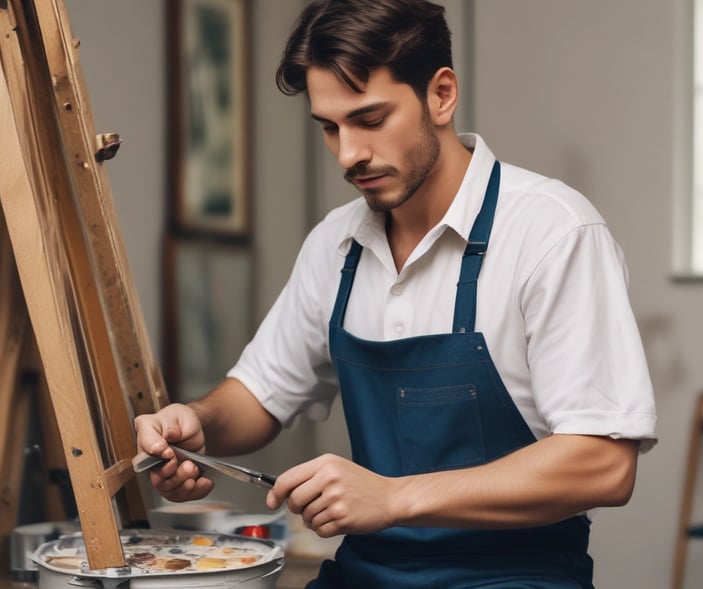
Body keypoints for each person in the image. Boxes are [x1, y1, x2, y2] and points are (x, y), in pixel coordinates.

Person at [134, 1, 657, 587]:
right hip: (368, 573)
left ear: (440, 95)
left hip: (517, 575)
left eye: (370, 119)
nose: (348, 153)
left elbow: (604, 465)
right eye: (330, 127)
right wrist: (198, 423)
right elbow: (262, 393)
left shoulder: (553, 232)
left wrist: (395, 498)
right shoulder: (336, 244)